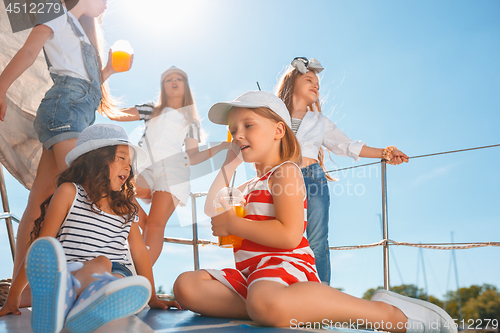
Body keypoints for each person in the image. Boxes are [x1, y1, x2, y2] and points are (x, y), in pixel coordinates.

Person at [172, 91, 454, 332]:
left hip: (285, 268)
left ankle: (387, 314)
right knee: (186, 286)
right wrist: (228, 166)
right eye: (234, 130)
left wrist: (234, 225)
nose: (238, 135)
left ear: (278, 131)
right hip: (251, 274)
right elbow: (212, 208)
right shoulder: (246, 184)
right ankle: (276, 309)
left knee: (264, 301)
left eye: (248, 125)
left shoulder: (285, 173)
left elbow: (289, 236)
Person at [0, 0, 125, 304]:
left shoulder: (80, 34)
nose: (108, 3)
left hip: (75, 113)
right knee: (87, 189)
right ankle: (74, 281)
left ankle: (21, 292)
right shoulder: (54, 12)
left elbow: (87, 83)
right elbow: (29, 50)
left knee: (39, 200)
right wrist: (1, 87)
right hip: (64, 110)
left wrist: (107, 69)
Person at [0, 124, 180, 333]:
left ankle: (71, 304)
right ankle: (79, 304)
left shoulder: (125, 206)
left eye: (130, 163)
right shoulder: (69, 192)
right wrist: (14, 295)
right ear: (96, 158)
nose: (128, 167)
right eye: (121, 158)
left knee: (114, 275)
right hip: (69, 271)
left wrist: (152, 297)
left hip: (114, 272)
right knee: (101, 269)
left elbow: (139, 251)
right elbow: (42, 244)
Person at [275, 57, 409, 284]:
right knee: (283, 236)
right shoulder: (272, 117)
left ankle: (320, 293)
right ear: (291, 84)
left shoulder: (319, 120)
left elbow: (346, 146)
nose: (316, 85)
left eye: (317, 83)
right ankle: (281, 288)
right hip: (280, 181)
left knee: (317, 239)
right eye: (309, 79)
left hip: (312, 179)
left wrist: (385, 153)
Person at [108, 66, 231, 264]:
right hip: (144, 169)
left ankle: (141, 277)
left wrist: (220, 147)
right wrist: (100, 88)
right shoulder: (151, 110)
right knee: (117, 189)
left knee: (156, 226)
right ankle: (142, 225)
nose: (174, 81)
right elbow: (116, 114)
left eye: (179, 79)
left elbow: (192, 156)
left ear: (185, 86)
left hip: (174, 169)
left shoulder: (191, 121)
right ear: (163, 87)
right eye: (168, 79)